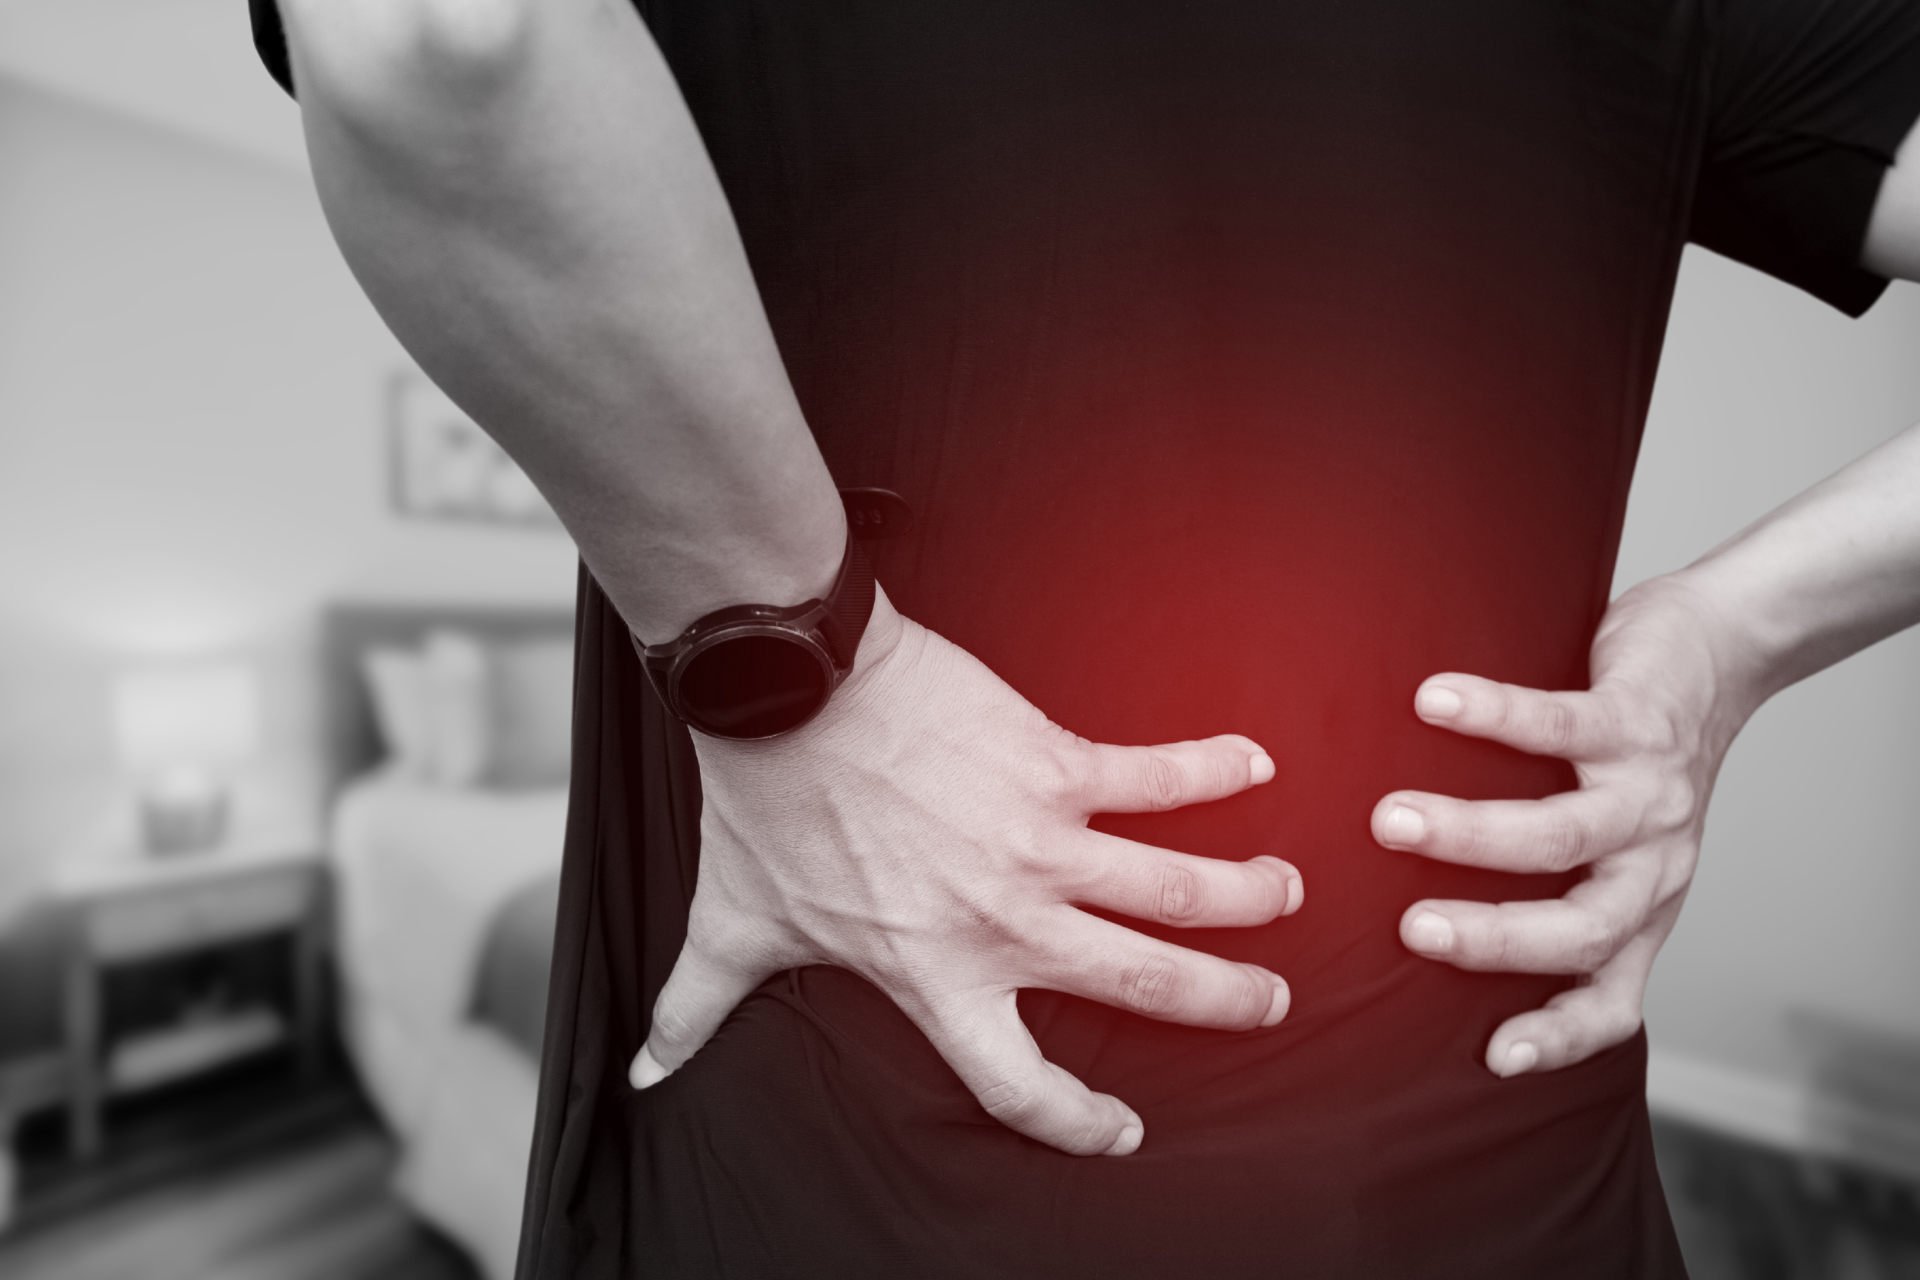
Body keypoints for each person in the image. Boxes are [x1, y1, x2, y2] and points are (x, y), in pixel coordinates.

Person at [255, 1, 1920, 1275]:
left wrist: (801, 672)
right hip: (1506, 1144)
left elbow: (433, 34)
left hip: (875, 1151)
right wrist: (1732, 635)